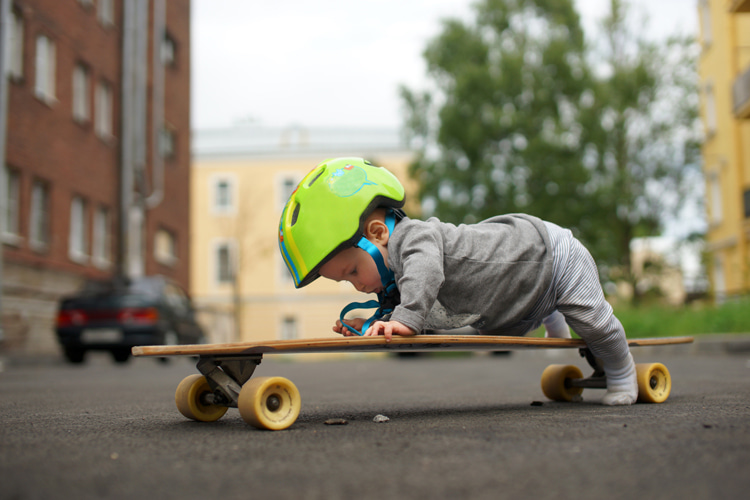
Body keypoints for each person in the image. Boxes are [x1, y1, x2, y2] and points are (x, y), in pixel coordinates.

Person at [278, 157, 638, 406]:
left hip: (550, 257)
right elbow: (404, 310)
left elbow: (425, 275)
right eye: (346, 282)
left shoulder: (415, 238)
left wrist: (405, 318)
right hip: (523, 287)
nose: (356, 286)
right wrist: (372, 323)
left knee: (593, 321)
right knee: (552, 307)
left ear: (377, 234)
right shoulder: (395, 281)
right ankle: (552, 316)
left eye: (353, 272)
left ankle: (622, 372)